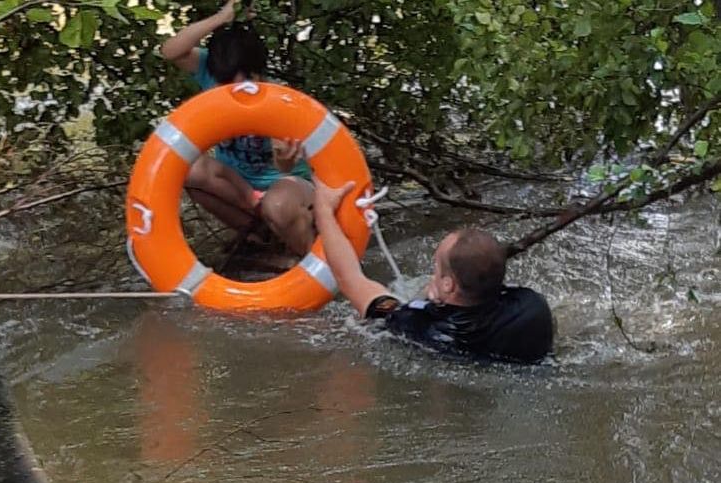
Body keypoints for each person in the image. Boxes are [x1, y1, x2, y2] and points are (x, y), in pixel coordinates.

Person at [312, 178, 554, 364]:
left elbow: (351, 279)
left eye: (436, 267)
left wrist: (323, 212)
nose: (432, 274)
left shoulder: (423, 325)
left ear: (448, 285)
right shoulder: (533, 308)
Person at [160, 0, 314, 256]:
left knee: (278, 205)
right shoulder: (210, 71)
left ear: (258, 74)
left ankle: (308, 259)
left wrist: (285, 161)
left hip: (285, 185)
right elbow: (170, 51)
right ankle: (259, 236)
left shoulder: (276, 101)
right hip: (241, 187)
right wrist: (220, 18)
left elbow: (283, 166)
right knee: (190, 171)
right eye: (225, 83)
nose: (232, 90)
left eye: (241, 81)